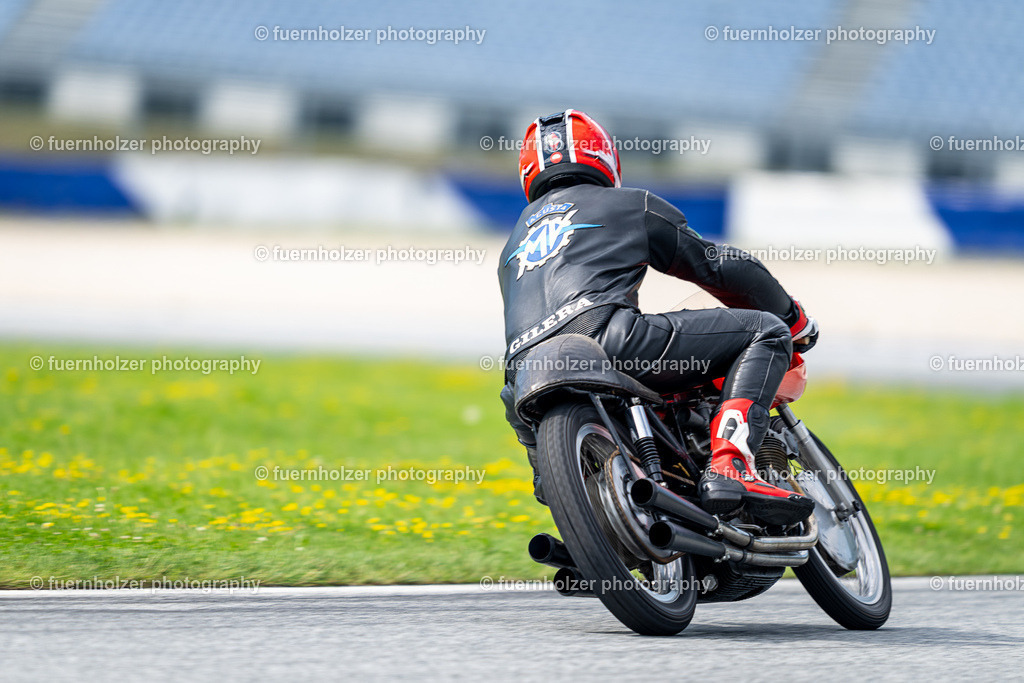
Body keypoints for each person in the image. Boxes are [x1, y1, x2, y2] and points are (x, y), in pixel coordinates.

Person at [498, 110, 819, 526]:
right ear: (604, 156)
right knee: (766, 332)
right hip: (609, 338)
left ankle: (581, 505)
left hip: (521, 376)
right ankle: (730, 465)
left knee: (547, 477)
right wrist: (793, 318)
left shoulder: (513, 243)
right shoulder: (630, 203)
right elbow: (718, 266)